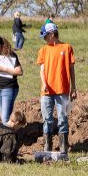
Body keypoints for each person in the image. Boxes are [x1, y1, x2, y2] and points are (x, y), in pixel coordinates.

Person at [35, 21, 76, 156]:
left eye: (46, 36)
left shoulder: (67, 47)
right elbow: (42, 70)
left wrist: (73, 87)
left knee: (63, 118)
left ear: (52, 34)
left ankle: (63, 149)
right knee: (47, 120)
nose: (45, 39)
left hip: (62, 90)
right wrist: (44, 83)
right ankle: (48, 148)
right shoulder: (43, 50)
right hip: (46, 92)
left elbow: (71, 69)